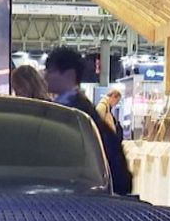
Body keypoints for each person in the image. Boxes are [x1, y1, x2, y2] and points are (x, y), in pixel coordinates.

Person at [43, 46, 133, 196]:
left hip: (78, 194)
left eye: (51, 71)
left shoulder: (75, 112)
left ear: (69, 74)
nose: (46, 77)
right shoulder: (76, 108)